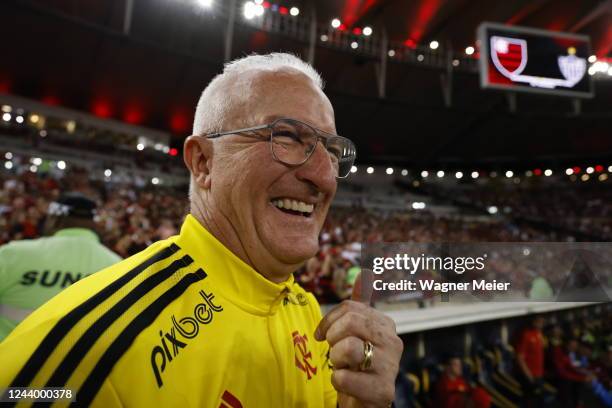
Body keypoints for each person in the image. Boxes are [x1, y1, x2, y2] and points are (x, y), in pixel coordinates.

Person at [0, 53, 403, 407]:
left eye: (331, 152)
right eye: (287, 136)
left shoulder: (306, 311)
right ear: (203, 163)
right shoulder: (93, 346)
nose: (324, 176)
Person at [0, 192, 121, 342]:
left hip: (10, 361)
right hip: (78, 363)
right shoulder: (117, 266)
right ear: (93, 223)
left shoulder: (12, 254)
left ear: (54, 219)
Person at [515, 315, 545, 407]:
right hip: (530, 376)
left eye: (542, 321)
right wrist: (529, 376)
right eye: (538, 321)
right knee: (530, 401)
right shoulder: (526, 335)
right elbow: (520, 358)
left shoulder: (539, 334)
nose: (541, 323)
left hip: (539, 374)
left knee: (539, 401)